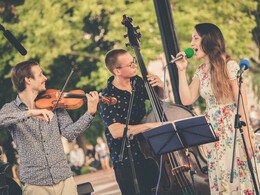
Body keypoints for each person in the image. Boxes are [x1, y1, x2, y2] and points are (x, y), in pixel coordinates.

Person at [172, 23, 260, 194]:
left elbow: (241, 104)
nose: (191, 44)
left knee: (239, 177)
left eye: (195, 38)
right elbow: (186, 99)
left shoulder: (230, 65)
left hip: (233, 132)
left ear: (209, 40)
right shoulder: (200, 71)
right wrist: (181, 71)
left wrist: (247, 137)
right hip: (213, 135)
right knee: (223, 178)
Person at [0, 60, 99, 195]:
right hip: (35, 184)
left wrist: (90, 113)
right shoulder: (10, 109)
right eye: (40, 74)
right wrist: (30, 113)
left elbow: (69, 133)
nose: (45, 78)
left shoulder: (54, 103)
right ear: (28, 80)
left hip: (64, 180)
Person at [99, 49, 169, 195]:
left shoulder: (138, 82)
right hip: (125, 159)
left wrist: (161, 86)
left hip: (150, 151)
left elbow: (161, 97)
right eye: (130, 65)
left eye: (134, 62)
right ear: (117, 71)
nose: (134, 66)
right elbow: (116, 131)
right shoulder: (107, 97)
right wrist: (149, 126)